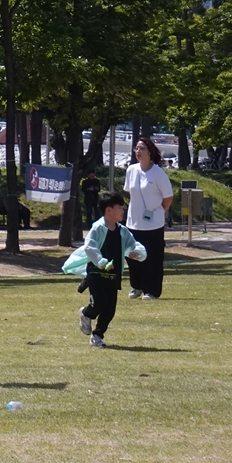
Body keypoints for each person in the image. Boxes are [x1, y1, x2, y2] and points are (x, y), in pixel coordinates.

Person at [72, 191, 147, 348]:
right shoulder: (97, 228)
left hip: (113, 276)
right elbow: (90, 247)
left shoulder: (122, 231)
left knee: (110, 309)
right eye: (120, 207)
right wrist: (101, 262)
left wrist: (137, 253)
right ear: (108, 210)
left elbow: (134, 245)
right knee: (99, 303)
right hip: (97, 273)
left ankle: (97, 335)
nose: (122, 210)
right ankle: (86, 314)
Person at [124, 137, 173, 300]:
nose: (138, 152)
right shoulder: (131, 170)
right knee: (132, 256)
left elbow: (168, 197)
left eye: (142, 148)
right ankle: (136, 286)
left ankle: (152, 290)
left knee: (152, 258)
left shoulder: (158, 173)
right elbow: (130, 193)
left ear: (150, 152)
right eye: (136, 148)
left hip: (153, 224)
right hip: (133, 222)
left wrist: (158, 212)